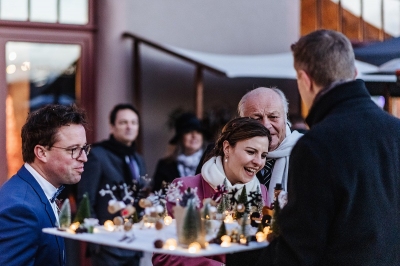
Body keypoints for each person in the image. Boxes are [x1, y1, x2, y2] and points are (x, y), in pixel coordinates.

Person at [256, 29, 400, 266]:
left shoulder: (316, 146)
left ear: (305, 80)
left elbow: (299, 250)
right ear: (354, 74)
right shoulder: (396, 130)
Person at [153, 117, 271, 266]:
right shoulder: (185, 188)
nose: (258, 162)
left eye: (263, 155)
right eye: (251, 152)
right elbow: (164, 256)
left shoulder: (262, 192)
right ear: (227, 148)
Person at [0, 104, 88, 266]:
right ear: (41, 153)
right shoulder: (20, 208)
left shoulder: (37, 191)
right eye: (73, 149)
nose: (84, 158)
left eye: (84, 148)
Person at [77, 104, 146, 266]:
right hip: (107, 248)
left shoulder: (138, 159)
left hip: (134, 244)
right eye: (123, 122)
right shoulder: (97, 155)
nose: (129, 127)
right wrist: (97, 241)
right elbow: (85, 201)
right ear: (112, 126)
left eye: (134, 122)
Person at [237, 87, 303, 204]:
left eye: (273, 117)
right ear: (242, 122)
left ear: (285, 118)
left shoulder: (305, 153)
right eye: (256, 119)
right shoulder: (226, 155)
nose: (266, 125)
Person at [153, 112, 204, 192]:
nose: (194, 135)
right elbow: (156, 194)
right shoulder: (165, 166)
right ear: (180, 138)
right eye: (188, 131)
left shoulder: (211, 163)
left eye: (198, 131)